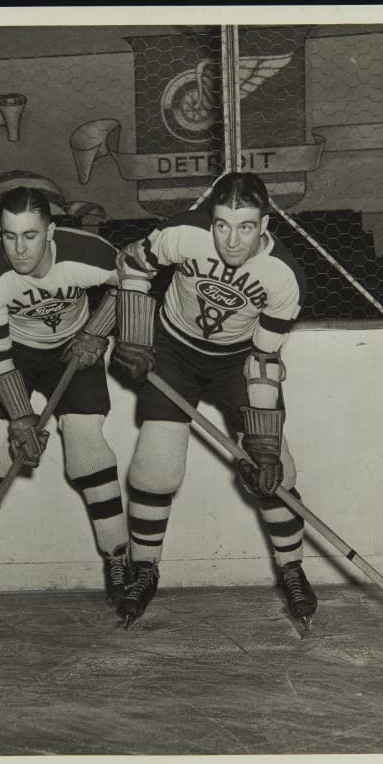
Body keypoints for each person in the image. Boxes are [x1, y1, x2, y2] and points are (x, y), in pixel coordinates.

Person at [111, 171, 317, 629]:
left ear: (264, 225)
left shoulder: (284, 278)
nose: (231, 239)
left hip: (236, 363)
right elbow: (132, 265)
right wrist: (136, 333)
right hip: (171, 351)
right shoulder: (183, 234)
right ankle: (143, 569)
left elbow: (264, 357)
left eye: (245, 227)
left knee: (276, 471)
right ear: (212, 218)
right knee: (156, 466)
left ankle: (292, 570)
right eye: (222, 225)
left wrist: (261, 443)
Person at [0, 186, 130, 616]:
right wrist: (19, 416)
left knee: (86, 448)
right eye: (10, 236)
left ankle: (119, 560)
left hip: (75, 346)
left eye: (30, 236)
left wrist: (98, 330)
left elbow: (135, 280)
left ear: (50, 232)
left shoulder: (85, 252)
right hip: (13, 352)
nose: (19, 248)